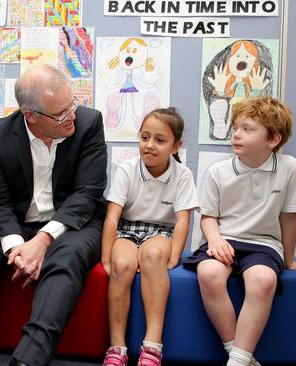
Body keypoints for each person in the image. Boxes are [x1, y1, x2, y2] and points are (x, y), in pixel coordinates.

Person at [0, 65, 107, 366]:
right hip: (17, 224)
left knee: (66, 256)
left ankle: (28, 359)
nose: (72, 115)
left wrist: (43, 239)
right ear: (31, 115)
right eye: (61, 113)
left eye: (72, 104)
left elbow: (88, 193)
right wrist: (15, 248)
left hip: (74, 223)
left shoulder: (89, 123)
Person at [183, 97, 296, 366]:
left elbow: (289, 216)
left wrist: (290, 261)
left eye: (247, 129)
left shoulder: (290, 167)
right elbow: (208, 217)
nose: (236, 134)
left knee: (263, 280)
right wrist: (214, 239)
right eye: (236, 127)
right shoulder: (217, 171)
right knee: (209, 273)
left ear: (273, 140)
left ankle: (237, 360)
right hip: (223, 238)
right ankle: (239, 355)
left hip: (264, 243)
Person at [101, 108, 198, 366]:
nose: (150, 145)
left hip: (160, 231)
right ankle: (116, 347)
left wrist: (174, 257)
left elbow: (182, 221)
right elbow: (112, 217)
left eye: (160, 140)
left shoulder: (183, 175)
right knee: (122, 264)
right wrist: (106, 257)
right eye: (144, 138)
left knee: (153, 256)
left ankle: (152, 346)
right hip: (127, 228)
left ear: (176, 145)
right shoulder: (126, 169)